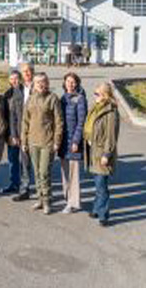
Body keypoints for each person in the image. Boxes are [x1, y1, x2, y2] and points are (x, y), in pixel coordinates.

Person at [21, 73, 63, 214]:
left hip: (47, 141)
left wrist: (57, 141)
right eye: (37, 82)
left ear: (47, 83)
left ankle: (47, 201)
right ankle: (40, 198)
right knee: (37, 172)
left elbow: (59, 122)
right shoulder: (31, 99)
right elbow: (25, 122)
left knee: (45, 172)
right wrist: (24, 140)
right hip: (33, 141)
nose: (40, 84)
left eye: (43, 81)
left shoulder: (52, 99)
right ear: (34, 83)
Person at [84, 83, 120, 227]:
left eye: (97, 94)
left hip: (102, 153)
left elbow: (111, 137)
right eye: (94, 93)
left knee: (101, 185)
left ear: (105, 95)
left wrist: (107, 154)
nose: (95, 96)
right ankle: (96, 209)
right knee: (97, 183)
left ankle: (104, 214)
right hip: (93, 150)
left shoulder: (111, 112)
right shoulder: (96, 107)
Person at [59, 72, 87, 214]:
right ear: (64, 83)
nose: (70, 84)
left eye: (73, 81)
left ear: (77, 83)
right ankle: (67, 198)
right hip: (63, 142)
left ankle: (74, 203)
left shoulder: (80, 99)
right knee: (64, 172)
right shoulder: (62, 98)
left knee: (73, 174)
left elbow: (81, 122)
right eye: (68, 81)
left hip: (74, 142)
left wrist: (76, 140)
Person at [13, 62, 34, 202]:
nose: (26, 73)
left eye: (28, 71)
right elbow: (13, 113)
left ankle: (44, 192)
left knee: (38, 163)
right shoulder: (18, 89)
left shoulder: (38, 86)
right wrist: (14, 134)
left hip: (36, 131)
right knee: (24, 162)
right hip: (22, 131)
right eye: (24, 71)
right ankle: (24, 189)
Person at [3, 70, 24, 194]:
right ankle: (14, 183)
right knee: (12, 159)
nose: (14, 81)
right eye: (12, 79)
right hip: (11, 132)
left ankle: (24, 184)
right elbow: (7, 115)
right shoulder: (7, 95)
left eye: (16, 78)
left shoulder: (25, 92)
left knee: (25, 160)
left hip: (23, 131)